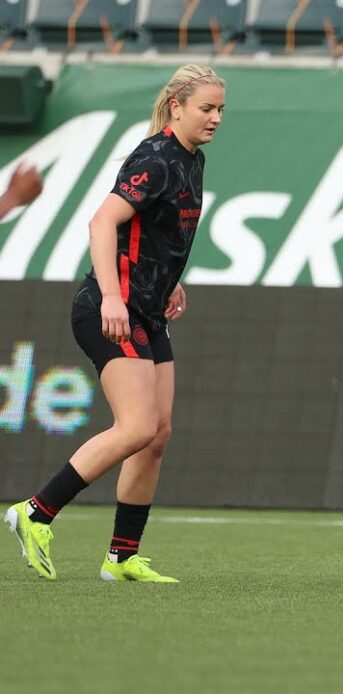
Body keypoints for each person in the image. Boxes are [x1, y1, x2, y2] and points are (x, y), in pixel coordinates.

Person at [5, 64, 225, 583]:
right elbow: (103, 222)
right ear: (177, 105)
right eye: (206, 108)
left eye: (220, 110)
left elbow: (158, 232)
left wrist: (169, 279)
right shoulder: (154, 156)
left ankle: (121, 557)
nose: (215, 118)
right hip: (111, 311)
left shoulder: (193, 160)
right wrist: (110, 297)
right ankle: (35, 512)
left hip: (148, 308)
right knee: (136, 427)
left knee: (158, 435)